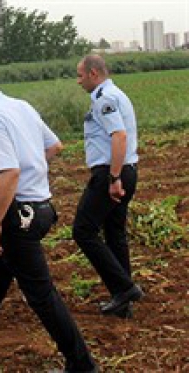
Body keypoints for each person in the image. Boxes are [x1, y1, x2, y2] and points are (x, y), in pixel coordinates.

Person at [0, 63, 97, 372]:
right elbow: (54, 146)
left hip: (16, 216)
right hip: (40, 209)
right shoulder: (20, 106)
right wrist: (33, 170)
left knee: (41, 295)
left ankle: (82, 364)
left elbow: (9, 171)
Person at [73, 55, 142, 318]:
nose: (78, 81)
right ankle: (122, 301)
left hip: (111, 173)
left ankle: (124, 288)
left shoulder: (105, 99)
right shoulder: (115, 94)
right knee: (114, 233)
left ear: (93, 73)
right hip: (125, 169)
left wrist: (114, 178)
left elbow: (119, 136)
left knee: (83, 230)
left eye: (80, 75)